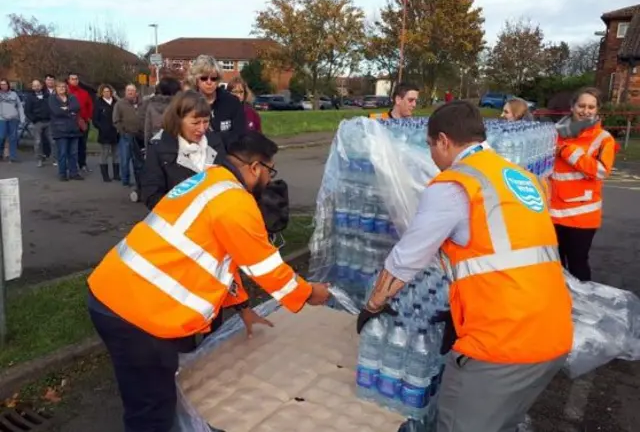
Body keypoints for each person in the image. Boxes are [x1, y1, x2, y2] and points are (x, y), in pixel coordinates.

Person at [87, 130, 331, 432]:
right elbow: (266, 269)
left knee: (145, 392)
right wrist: (310, 293)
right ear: (255, 167)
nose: (270, 180)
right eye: (270, 170)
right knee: (151, 408)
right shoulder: (236, 203)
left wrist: (242, 307)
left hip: (114, 293)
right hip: (138, 314)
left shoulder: (209, 179)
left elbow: (225, 261)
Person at [357, 101, 573, 432]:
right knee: (502, 422)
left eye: (430, 146)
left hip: (502, 342)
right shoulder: (520, 176)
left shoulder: (456, 184)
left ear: (443, 140)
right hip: (553, 332)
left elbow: (407, 258)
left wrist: (374, 303)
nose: (431, 156)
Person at [550, 87, 615, 282]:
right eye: (581, 105)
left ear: (597, 110)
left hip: (581, 217)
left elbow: (602, 170)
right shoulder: (554, 134)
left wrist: (568, 152)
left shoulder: (603, 138)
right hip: (553, 214)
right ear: (572, 107)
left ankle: (586, 307)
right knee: (554, 265)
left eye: (591, 107)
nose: (586, 111)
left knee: (578, 265)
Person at [142, 90, 226, 210]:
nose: (202, 129)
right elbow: (151, 195)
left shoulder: (215, 143)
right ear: (178, 120)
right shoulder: (158, 148)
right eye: (195, 123)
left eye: (206, 122)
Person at [188, 54, 247, 145]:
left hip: (228, 153)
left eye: (213, 78)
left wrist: (213, 138)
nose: (209, 82)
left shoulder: (232, 102)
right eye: (204, 78)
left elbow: (239, 134)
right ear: (196, 79)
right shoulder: (187, 103)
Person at [48, 80, 83, 181]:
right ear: (56, 88)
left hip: (73, 129)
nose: (62, 88)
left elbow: (76, 107)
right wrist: (69, 111)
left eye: (63, 87)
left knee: (73, 153)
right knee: (62, 153)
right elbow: (56, 111)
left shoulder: (72, 97)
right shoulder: (52, 98)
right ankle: (62, 173)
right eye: (59, 87)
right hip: (60, 130)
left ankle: (74, 173)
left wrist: (65, 109)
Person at [113, 84, 144, 195]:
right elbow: (116, 120)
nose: (130, 92)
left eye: (132, 90)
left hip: (139, 136)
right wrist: (122, 131)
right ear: (125, 92)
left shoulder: (142, 104)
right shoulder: (120, 104)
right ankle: (125, 181)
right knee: (125, 159)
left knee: (138, 161)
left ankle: (139, 182)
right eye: (128, 90)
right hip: (126, 135)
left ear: (136, 92)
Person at [140, 76, 181, 148]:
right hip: (176, 143)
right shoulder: (178, 105)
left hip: (156, 143)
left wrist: (148, 148)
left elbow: (148, 130)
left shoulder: (151, 105)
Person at [24, 79, 55, 167]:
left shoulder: (47, 95)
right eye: (34, 86)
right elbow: (27, 111)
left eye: (38, 85)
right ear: (32, 87)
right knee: (38, 142)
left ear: (41, 86)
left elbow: (52, 106)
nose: (36, 87)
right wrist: (34, 119)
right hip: (37, 122)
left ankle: (54, 159)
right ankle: (39, 159)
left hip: (49, 121)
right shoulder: (30, 97)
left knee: (53, 141)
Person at [67, 72, 93, 172]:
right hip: (70, 122)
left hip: (83, 122)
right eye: (72, 79)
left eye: (76, 79)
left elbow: (90, 106)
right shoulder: (66, 92)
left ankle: (82, 163)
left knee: (82, 145)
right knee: (71, 145)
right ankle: (71, 165)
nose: (74, 81)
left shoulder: (84, 93)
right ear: (69, 80)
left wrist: (88, 118)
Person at [93, 84, 120, 182]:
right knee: (104, 154)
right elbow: (95, 120)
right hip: (104, 133)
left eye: (108, 91)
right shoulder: (98, 103)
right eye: (105, 92)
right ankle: (105, 176)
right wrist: (102, 128)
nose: (107, 93)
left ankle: (116, 175)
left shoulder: (116, 102)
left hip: (115, 132)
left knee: (116, 154)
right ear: (101, 93)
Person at [0, 79, 25, 163]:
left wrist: (22, 118)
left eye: (5, 84)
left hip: (13, 119)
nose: (3, 86)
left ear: (8, 85)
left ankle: (12, 156)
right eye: (1, 84)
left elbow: (19, 106)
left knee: (13, 138)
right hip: (2, 119)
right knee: (1, 137)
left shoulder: (14, 94)